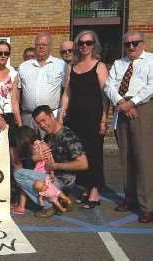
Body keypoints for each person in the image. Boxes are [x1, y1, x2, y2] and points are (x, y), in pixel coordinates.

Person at [104, 31, 153, 223]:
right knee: (125, 158)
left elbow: (151, 86)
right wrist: (121, 103)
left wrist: (132, 103)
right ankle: (130, 198)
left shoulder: (150, 60)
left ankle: (147, 205)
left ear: (143, 43)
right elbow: (109, 86)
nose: (131, 47)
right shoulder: (119, 63)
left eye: (135, 43)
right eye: (127, 44)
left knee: (143, 159)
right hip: (122, 110)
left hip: (143, 109)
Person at [59, 31, 109, 209]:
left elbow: (105, 96)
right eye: (81, 43)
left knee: (94, 154)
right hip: (75, 118)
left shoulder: (100, 66)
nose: (84, 46)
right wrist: (61, 114)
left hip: (93, 118)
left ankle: (95, 192)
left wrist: (104, 119)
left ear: (94, 44)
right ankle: (87, 188)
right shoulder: (73, 67)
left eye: (88, 43)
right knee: (80, 154)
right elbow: (67, 94)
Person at [14, 105, 88, 218]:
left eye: (44, 120)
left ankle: (49, 205)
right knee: (25, 174)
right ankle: (57, 198)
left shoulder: (67, 136)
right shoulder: (48, 137)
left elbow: (83, 164)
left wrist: (55, 166)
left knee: (18, 174)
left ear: (52, 116)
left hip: (63, 180)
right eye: (39, 123)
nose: (42, 125)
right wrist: (34, 158)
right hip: (50, 177)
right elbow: (40, 160)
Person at [12, 32, 67, 137]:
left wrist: (61, 116)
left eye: (44, 45)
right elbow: (17, 95)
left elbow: (66, 92)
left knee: (50, 149)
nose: (41, 47)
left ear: (50, 46)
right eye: (38, 45)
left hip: (50, 117)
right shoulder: (24, 66)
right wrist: (19, 121)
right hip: (28, 117)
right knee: (29, 150)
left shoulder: (60, 65)